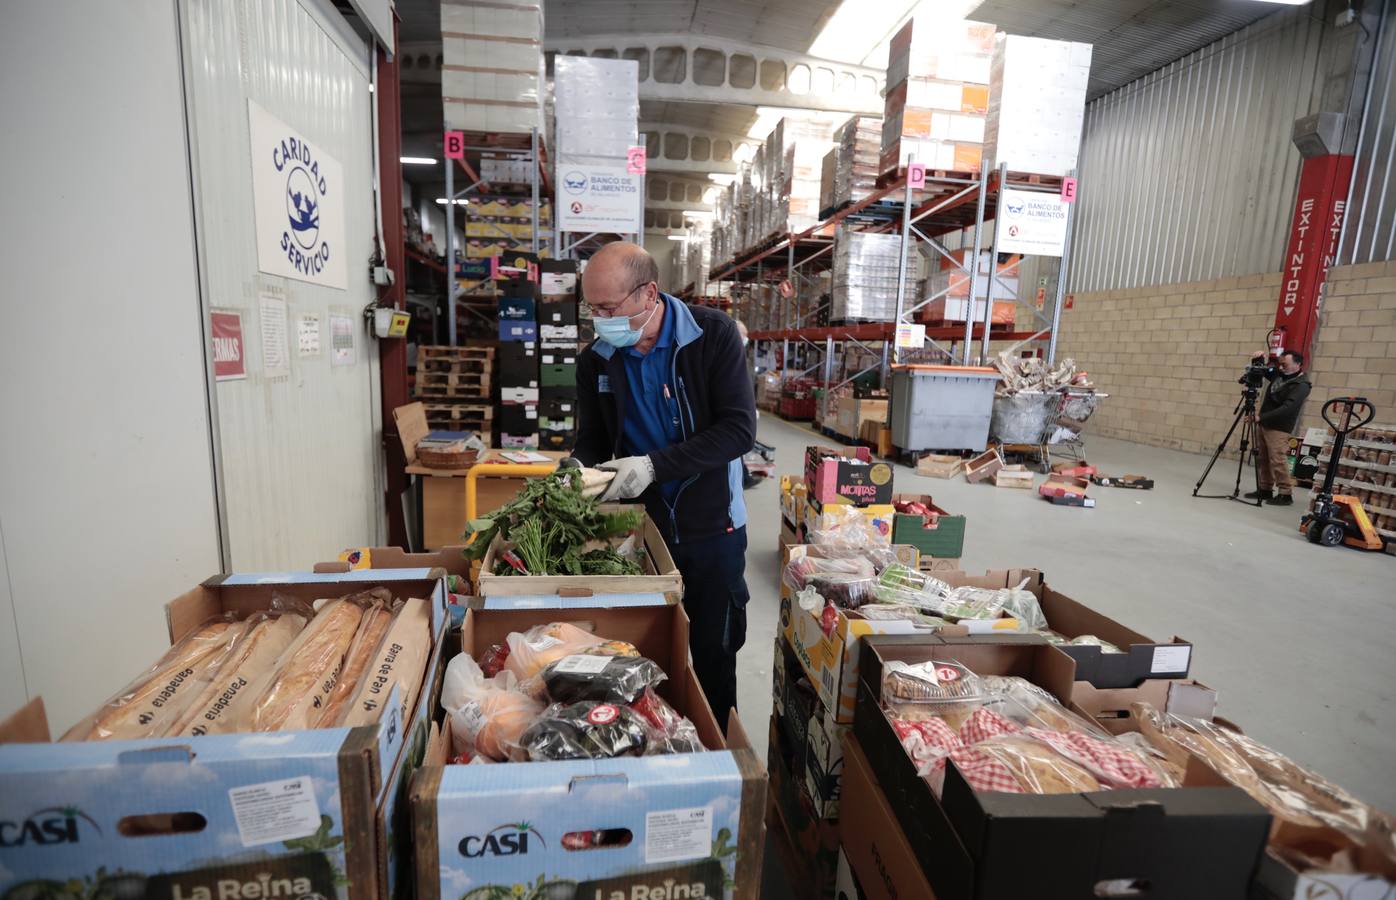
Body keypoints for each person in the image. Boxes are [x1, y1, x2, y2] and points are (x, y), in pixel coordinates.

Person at [570, 242, 756, 731]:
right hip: (641, 530)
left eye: (608, 308)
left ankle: (715, 756)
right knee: (639, 657)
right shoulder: (597, 360)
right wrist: (575, 467)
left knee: (714, 655)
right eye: (592, 309)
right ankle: (652, 746)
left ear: (649, 293)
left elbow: (738, 430)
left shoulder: (711, 336)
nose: (599, 320)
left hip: (713, 526)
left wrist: (653, 466)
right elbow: (591, 437)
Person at [1245, 349, 1312, 506]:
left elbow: (1288, 407)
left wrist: (1261, 417)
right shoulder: (1279, 375)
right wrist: (1258, 359)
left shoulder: (1302, 385)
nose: (1281, 368)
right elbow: (1260, 371)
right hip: (1264, 422)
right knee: (1262, 458)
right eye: (1280, 364)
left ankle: (1285, 493)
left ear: (1298, 365)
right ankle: (1265, 488)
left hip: (1279, 427)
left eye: (1285, 365)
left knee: (1277, 459)